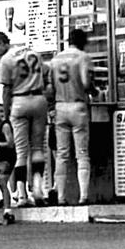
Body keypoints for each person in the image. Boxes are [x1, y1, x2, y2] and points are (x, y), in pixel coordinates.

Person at [0, 29, 51, 207]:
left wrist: (7, 115)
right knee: (38, 148)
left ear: (2, 42)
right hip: (39, 99)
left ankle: (22, 193)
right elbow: (47, 74)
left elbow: (6, 90)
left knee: (21, 151)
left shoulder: (6, 60)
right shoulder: (33, 52)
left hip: (19, 100)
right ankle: (39, 188)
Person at [50, 28, 96, 205]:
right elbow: (86, 82)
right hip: (78, 106)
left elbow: (51, 87)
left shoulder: (56, 59)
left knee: (61, 155)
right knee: (82, 154)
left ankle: (61, 197)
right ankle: (83, 196)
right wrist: (94, 91)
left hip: (60, 106)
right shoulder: (82, 57)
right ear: (83, 41)